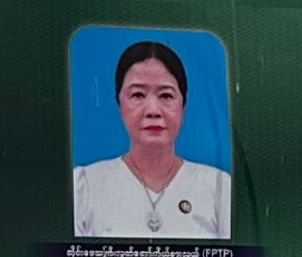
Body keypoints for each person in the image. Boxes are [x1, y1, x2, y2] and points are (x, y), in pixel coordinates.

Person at [72, 38, 232, 239]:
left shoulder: (219, 188)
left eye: (166, 96)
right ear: (119, 104)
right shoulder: (84, 186)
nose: (153, 110)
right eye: (138, 95)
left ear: (183, 105)